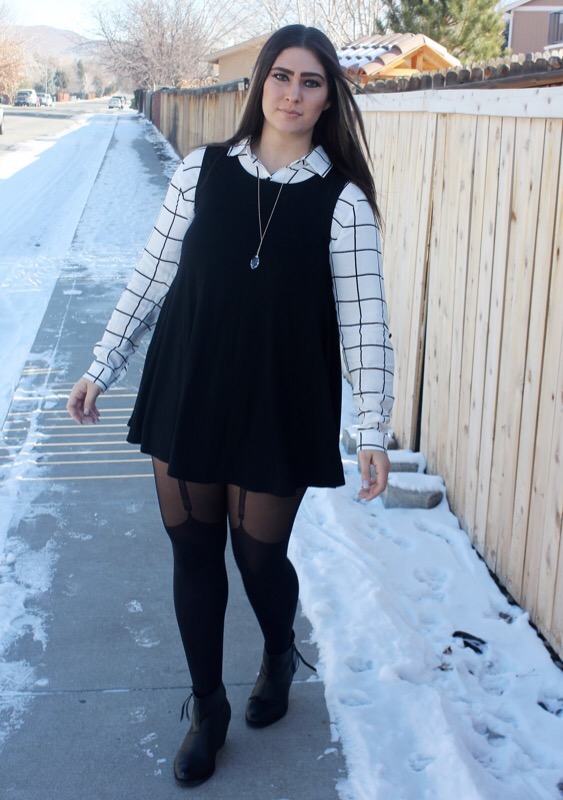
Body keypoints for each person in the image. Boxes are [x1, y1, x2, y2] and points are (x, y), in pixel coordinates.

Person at [66, 24, 394, 787]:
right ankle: (207, 708)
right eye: (281, 76)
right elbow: (151, 275)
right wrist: (100, 366)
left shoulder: (343, 204)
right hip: (190, 382)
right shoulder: (201, 170)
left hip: (279, 399)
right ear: (259, 83)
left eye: (310, 82)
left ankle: (279, 651)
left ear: (327, 98)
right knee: (192, 551)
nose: (292, 93)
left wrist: (371, 430)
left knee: (257, 556)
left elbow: (365, 325)